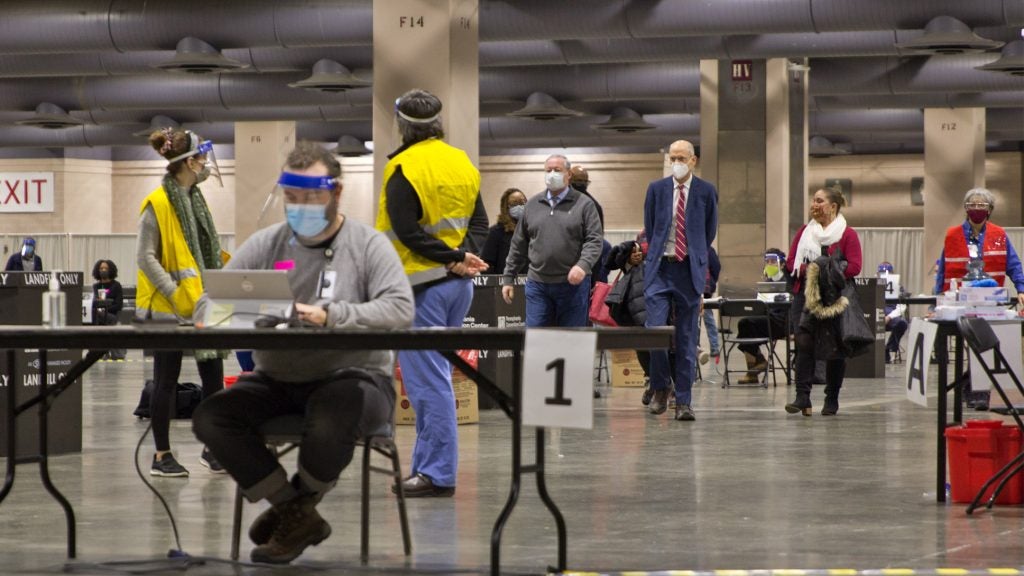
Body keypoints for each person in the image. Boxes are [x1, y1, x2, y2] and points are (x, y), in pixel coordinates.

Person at [193, 142, 415, 564]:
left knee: (334, 415)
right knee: (212, 416)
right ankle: (295, 512)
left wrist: (328, 315)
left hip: (355, 380)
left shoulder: (368, 245)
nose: (300, 207)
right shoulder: (267, 244)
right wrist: (257, 310)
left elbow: (400, 309)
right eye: (292, 198)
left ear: (336, 194)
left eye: (311, 197)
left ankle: (290, 511)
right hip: (276, 379)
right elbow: (207, 307)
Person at [377, 88, 489, 498]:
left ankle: (437, 473)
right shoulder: (462, 163)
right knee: (434, 378)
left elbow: (406, 232)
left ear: (402, 124)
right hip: (458, 288)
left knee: (428, 385)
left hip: (421, 288)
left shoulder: (404, 167)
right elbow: (480, 222)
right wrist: (463, 257)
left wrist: (449, 258)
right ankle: (427, 467)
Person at [137, 127, 226, 477]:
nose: (206, 163)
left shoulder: (194, 198)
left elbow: (198, 253)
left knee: (214, 376)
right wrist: (175, 293)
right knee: (165, 381)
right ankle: (161, 456)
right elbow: (145, 257)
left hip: (201, 303)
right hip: (166, 306)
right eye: (201, 158)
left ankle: (214, 448)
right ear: (189, 162)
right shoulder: (157, 203)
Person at [642, 139, 718, 422]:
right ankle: (661, 387)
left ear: (692, 160)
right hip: (660, 269)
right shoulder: (656, 189)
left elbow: (708, 233)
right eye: (672, 157)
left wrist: (693, 255)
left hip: (689, 271)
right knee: (656, 332)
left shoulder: (707, 192)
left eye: (681, 158)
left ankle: (684, 401)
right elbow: (651, 229)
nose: (676, 162)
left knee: (686, 339)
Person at [933, 187, 1024, 410]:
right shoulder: (953, 234)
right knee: (973, 343)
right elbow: (943, 269)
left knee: (983, 344)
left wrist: (1021, 288)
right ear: (965, 208)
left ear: (990, 210)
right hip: (960, 300)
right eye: (972, 204)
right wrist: (936, 300)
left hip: (989, 301)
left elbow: (1013, 265)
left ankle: (975, 390)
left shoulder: (999, 234)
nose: (976, 209)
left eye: (981, 205)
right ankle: (972, 389)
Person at [501, 154, 603, 330]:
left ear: (568, 174)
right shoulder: (532, 205)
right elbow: (518, 244)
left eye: (557, 170)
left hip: (573, 286)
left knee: (571, 340)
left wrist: (583, 265)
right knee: (536, 339)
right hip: (538, 284)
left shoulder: (584, 204)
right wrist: (508, 278)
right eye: (548, 170)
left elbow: (594, 240)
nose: (552, 174)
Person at [784, 187, 862, 416]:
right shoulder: (804, 232)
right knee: (804, 342)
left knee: (835, 348)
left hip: (834, 297)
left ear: (833, 206)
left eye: (819, 200)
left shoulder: (847, 234)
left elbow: (855, 266)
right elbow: (791, 263)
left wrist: (821, 270)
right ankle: (802, 397)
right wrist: (814, 269)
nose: (814, 204)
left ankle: (832, 398)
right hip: (805, 295)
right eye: (813, 200)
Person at [736, 249, 791, 384]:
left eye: (773, 261)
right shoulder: (766, 282)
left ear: (782, 264)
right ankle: (756, 366)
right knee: (745, 325)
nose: (769, 264)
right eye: (767, 261)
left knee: (746, 326)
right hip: (768, 318)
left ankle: (755, 368)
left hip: (781, 321)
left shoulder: (788, 281)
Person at [481, 187, 528, 274]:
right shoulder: (495, 232)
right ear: (506, 207)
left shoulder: (532, 230)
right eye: (514, 203)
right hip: (504, 283)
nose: (520, 206)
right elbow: (487, 264)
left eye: (522, 202)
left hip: (530, 283)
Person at [91, 259, 126, 360]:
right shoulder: (96, 286)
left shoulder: (116, 286)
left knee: (103, 318)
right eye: (101, 268)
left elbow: (118, 305)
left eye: (105, 268)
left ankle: (104, 350)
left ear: (111, 270)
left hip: (112, 315)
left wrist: (105, 310)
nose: (103, 270)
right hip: (98, 315)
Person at [877, 261, 909, 363]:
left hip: (892, 314)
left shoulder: (899, 287)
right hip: (877, 313)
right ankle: (875, 352)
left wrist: (889, 317)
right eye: (882, 273)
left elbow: (902, 307)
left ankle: (888, 348)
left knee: (902, 323)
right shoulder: (873, 285)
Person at [701, 246, 722, 363]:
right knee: (708, 318)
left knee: (695, 320)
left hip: (699, 287)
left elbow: (716, 267)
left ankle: (696, 346)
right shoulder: (708, 248)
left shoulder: (706, 248)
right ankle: (714, 348)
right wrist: (711, 281)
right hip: (705, 286)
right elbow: (716, 267)